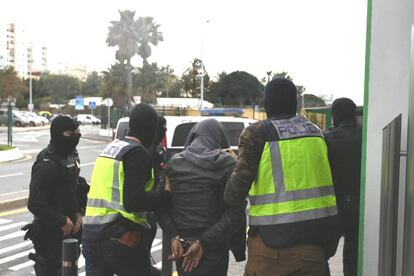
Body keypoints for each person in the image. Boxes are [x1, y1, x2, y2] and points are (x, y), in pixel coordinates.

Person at [224, 77, 341, 276]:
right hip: (316, 249)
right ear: (294, 105)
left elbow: (234, 194)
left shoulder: (257, 133)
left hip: (271, 250)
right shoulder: (317, 134)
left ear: (267, 105)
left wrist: (232, 164)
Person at [82, 103, 170, 276]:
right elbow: (133, 201)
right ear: (151, 128)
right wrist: (164, 196)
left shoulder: (111, 148)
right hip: (120, 238)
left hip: (92, 236)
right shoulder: (137, 153)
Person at [158, 118, 246, 276]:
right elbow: (236, 212)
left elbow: (161, 206)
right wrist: (203, 242)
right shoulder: (226, 164)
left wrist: (174, 236)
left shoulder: (174, 163)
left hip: (181, 247)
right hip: (214, 247)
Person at [24, 115, 89, 275]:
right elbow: (35, 203)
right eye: (70, 134)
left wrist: (79, 212)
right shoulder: (46, 164)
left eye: (78, 132)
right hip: (50, 235)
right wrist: (62, 220)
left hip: (72, 231)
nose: (75, 137)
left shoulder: (72, 155)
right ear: (58, 134)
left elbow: (76, 186)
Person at [324, 98, 362, 276]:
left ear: (335, 115)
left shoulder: (328, 137)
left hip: (335, 205)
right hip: (359, 204)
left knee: (322, 252)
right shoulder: (366, 134)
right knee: (352, 253)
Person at [146, 115, 167, 276]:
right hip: (147, 204)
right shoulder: (147, 149)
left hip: (154, 202)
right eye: (163, 128)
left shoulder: (158, 147)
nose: (164, 131)